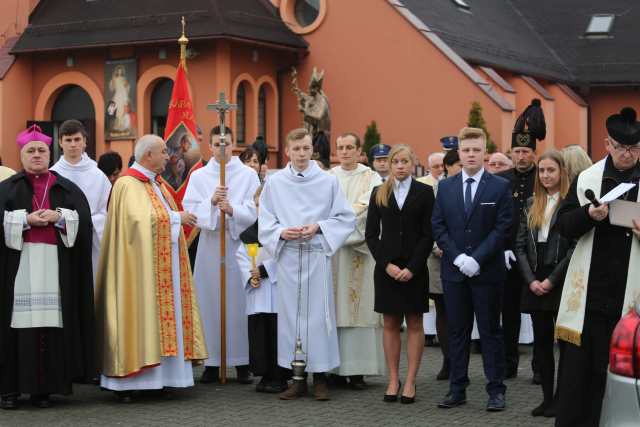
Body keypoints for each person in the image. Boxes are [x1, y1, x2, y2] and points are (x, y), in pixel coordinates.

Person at [97, 134, 207, 402]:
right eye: (163, 152)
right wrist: (175, 217)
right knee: (140, 315)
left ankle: (167, 379)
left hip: (165, 267)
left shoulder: (160, 184)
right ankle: (131, 384)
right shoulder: (127, 184)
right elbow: (136, 221)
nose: (168, 156)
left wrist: (176, 218)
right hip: (138, 273)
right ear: (148, 155)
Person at [554, 107, 640, 427]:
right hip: (589, 294)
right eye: (620, 147)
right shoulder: (587, 178)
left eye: (634, 149)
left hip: (631, 295)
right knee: (581, 374)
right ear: (607, 144)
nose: (627, 154)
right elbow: (562, 225)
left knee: (621, 373)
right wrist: (588, 216)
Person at [0, 125, 95, 409]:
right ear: (22, 155)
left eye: (42, 150)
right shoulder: (7, 188)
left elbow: (84, 221)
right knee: (16, 327)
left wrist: (60, 216)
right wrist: (26, 221)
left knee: (51, 327)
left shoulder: (66, 187)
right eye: (31, 151)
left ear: (49, 153)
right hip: (20, 266)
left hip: (55, 268)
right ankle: (10, 390)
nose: (37, 155)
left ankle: (45, 389)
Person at [258, 128, 355, 401]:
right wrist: (279, 232)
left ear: (312, 150)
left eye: (306, 148)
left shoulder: (327, 181)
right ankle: (297, 378)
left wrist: (320, 226)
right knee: (291, 320)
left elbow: (345, 218)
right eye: (296, 149)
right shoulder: (275, 183)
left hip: (315, 256)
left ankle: (321, 377)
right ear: (287, 151)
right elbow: (265, 219)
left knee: (318, 318)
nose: (301, 153)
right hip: (289, 257)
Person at [432, 127, 513, 412]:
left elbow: (502, 227)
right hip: (454, 273)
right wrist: (457, 258)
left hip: (487, 271)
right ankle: (457, 388)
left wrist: (477, 259)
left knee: (491, 332)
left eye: (476, 150)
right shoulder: (445, 187)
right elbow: (439, 226)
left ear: (484, 153)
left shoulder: (499, 187)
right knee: (457, 332)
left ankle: (496, 390)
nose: (470, 154)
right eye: (466, 150)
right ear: (459, 153)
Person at [183, 126, 260, 384]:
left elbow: (257, 208)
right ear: (210, 146)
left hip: (238, 245)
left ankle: (242, 362)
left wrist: (234, 210)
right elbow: (191, 210)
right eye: (217, 144)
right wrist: (211, 204)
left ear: (233, 143)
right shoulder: (199, 176)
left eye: (226, 143)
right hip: (210, 245)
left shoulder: (248, 175)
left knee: (240, 302)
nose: (222, 148)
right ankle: (212, 362)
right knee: (210, 301)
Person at [365, 144, 434, 404]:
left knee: (415, 323)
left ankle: (410, 381)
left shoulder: (425, 192)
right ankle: (393, 380)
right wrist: (386, 264)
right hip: (387, 269)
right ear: (390, 165)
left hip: (414, 269)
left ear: (412, 163)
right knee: (391, 323)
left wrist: (413, 267)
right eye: (396, 162)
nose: (400, 166)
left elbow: (429, 234)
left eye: (405, 161)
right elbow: (371, 234)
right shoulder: (378, 192)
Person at [514, 150, 573, 417]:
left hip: (560, 279)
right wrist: (532, 281)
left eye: (551, 170)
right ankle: (547, 398)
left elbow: (574, 248)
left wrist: (551, 280)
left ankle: (564, 399)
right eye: (542, 171)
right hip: (535, 280)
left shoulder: (571, 204)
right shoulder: (530, 203)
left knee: (567, 346)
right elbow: (520, 246)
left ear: (562, 172)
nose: (546, 175)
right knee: (541, 344)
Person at [329, 133, 384, 389]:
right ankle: (332, 368)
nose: (345, 151)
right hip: (332, 253)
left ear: (359, 151)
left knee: (359, 309)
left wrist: (338, 223)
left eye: (350, 147)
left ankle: (358, 370)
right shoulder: (328, 177)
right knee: (333, 308)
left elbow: (367, 208)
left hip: (359, 251)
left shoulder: (370, 177)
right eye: (340, 147)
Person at [498, 99, 545, 380]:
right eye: (516, 151)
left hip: (535, 254)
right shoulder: (501, 180)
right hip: (508, 255)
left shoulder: (543, 178)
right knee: (509, 312)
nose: (521, 156)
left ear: (533, 153)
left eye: (526, 151)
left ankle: (540, 366)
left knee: (538, 314)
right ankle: (508, 363)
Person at [236, 186, 289, 393]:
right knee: (260, 335)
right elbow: (241, 256)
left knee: (277, 334)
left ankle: (280, 377)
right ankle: (264, 375)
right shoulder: (250, 234)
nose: (261, 208)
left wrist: (263, 270)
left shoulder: (281, 230)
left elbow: (285, 255)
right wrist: (250, 275)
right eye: (257, 204)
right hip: (257, 294)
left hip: (278, 292)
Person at [50, 120, 111, 284]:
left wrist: (87, 222)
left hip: (91, 238)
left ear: (85, 141)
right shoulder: (52, 175)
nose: (73, 144)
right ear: (60, 143)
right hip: (60, 236)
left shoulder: (99, 175)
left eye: (77, 140)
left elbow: (107, 211)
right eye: (68, 140)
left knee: (90, 282)